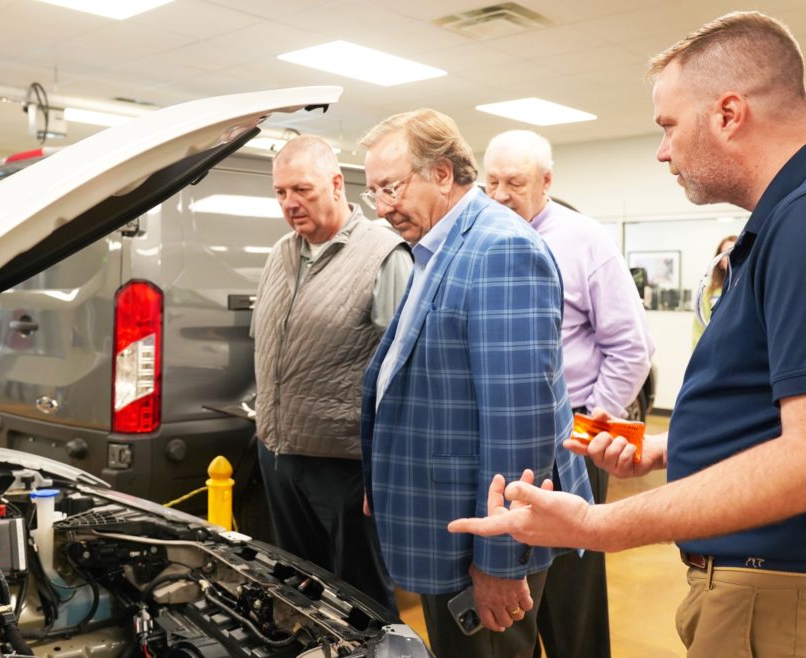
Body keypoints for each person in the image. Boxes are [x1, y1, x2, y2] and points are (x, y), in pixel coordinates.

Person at [449, 11, 806, 657]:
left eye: (669, 126)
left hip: (773, 588)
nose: (663, 149)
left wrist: (600, 523)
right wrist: (670, 446)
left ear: (728, 114)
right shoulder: (779, 221)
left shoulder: (800, 225)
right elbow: (770, 410)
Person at [358, 109, 593, 658]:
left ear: (442, 174)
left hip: (486, 537)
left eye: (392, 187)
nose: (384, 207)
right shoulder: (438, 249)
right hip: (450, 516)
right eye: (375, 193)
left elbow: (520, 422)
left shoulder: (499, 250)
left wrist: (500, 562)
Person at [484, 129, 654, 658]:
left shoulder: (585, 240)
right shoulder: (483, 237)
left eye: (514, 182)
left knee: (573, 591)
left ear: (547, 181)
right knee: (512, 581)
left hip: (577, 434)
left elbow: (632, 348)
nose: (501, 194)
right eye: (491, 182)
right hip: (504, 437)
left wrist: (587, 427)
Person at [251, 135, 410, 615]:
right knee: (301, 590)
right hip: (280, 455)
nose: (289, 203)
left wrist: (385, 470)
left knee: (360, 598)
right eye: (280, 193)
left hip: (346, 466)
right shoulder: (282, 252)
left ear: (337, 184)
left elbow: (403, 377)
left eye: (301, 189)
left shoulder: (385, 255)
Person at [691, 234, 737, 347]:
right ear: (720, 262)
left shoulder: (754, 292)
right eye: (726, 254)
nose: (731, 257)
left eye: (735, 252)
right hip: (716, 351)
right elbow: (699, 330)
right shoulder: (708, 295)